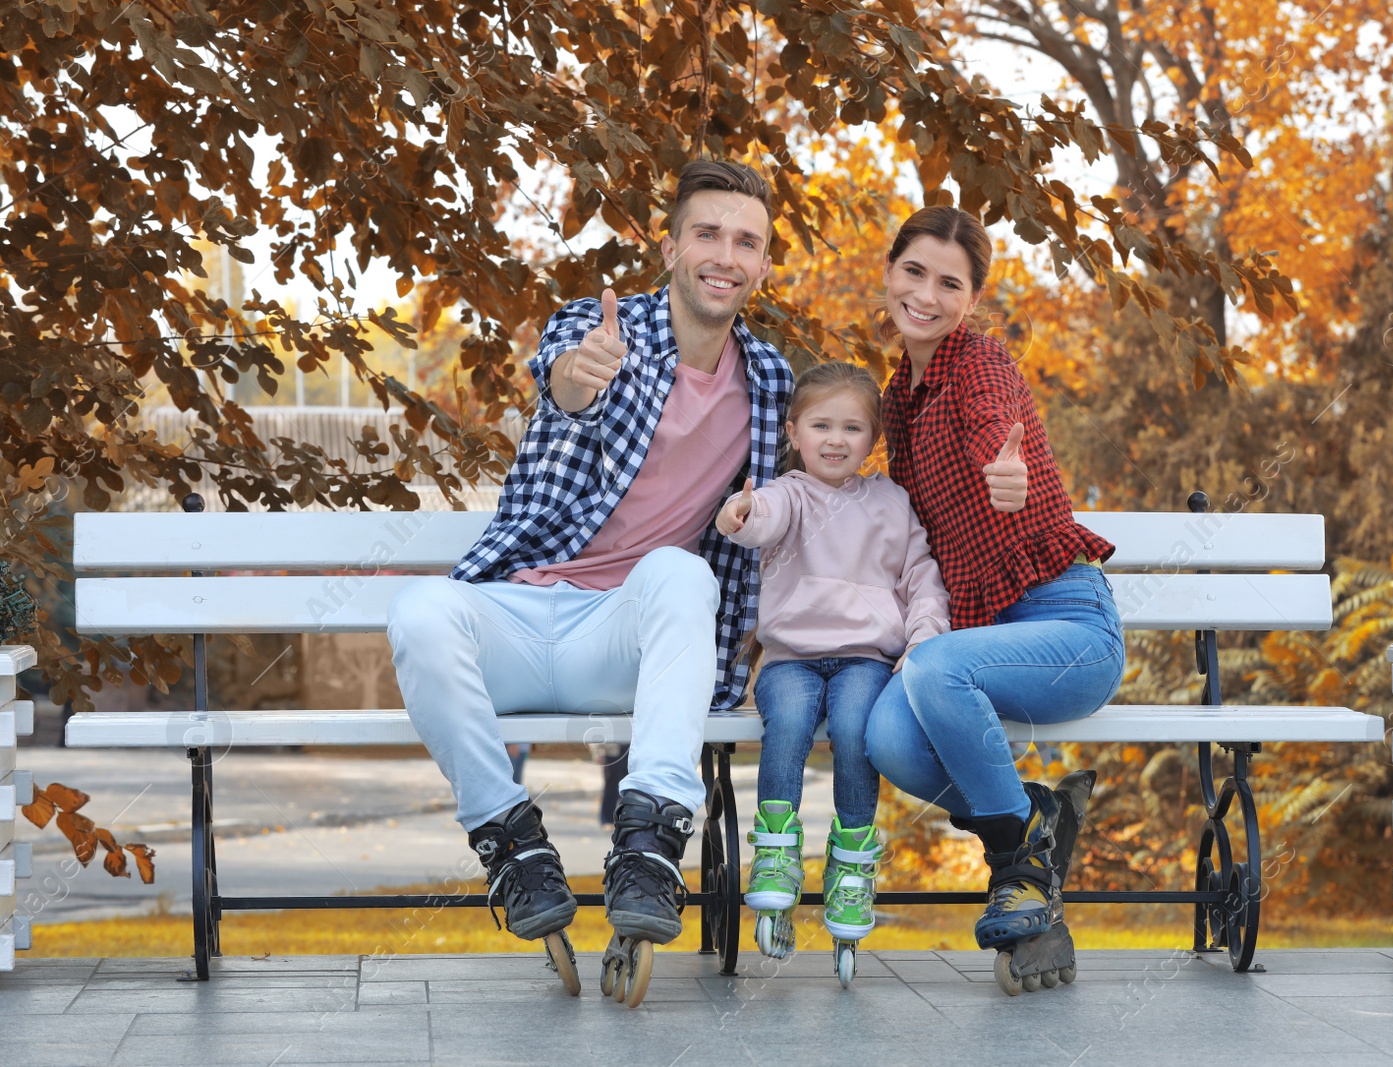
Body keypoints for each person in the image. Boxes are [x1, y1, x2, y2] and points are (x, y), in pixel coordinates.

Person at [386, 161, 793, 993]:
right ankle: (511, 841)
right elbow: (569, 382)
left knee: (679, 572)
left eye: (745, 241)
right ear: (672, 245)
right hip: (520, 612)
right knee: (423, 608)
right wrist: (577, 379)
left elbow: (793, 512)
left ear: (763, 265)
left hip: (624, 633)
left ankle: (648, 844)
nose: (725, 253)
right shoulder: (599, 328)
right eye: (707, 233)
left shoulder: (771, 382)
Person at [862, 206, 1125, 976]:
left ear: (971, 301)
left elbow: (993, 429)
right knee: (886, 735)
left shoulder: (979, 364)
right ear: (889, 273)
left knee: (937, 668)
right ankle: (1031, 826)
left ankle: (1018, 866)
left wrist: (1004, 477)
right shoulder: (896, 402)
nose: (928, 295)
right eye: (915, 272)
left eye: (951, 283)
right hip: (983, 641)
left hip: (1067, 629)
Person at [714, 362, 949, 964]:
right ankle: (776, 850)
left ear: (872, 441)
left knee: (855, 731)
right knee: (788, 724)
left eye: (852, 428)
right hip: (792, 658)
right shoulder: (788, 493)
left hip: (865, 660)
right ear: (794, 432)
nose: (836, 440)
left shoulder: (892, 503)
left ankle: (850, 864)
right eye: (821, 425)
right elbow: (761, 516)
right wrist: (739, 516)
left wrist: (923, 638)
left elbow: (922, 578)